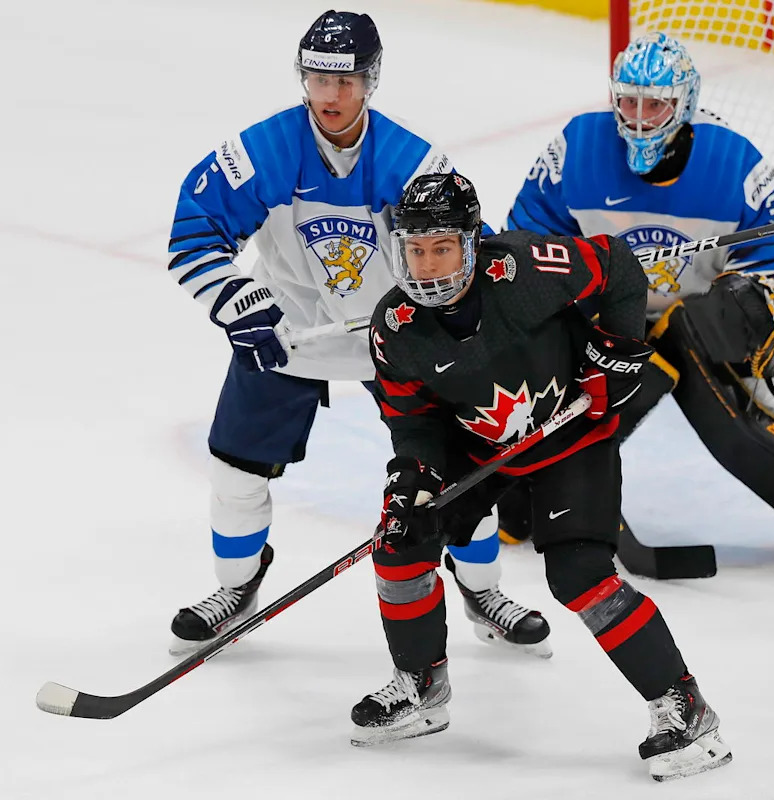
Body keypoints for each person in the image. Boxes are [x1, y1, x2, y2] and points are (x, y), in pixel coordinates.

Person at [164, 9, 549, 658]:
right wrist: (238, 301)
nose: (331, 95)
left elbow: (463, 253)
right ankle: (235, 589)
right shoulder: (264, 152)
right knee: (235, 468)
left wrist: (460, 313)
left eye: (345, 81)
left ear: (370, 81)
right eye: (319, 79)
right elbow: (193, 230)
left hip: (400, 337)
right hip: (289, 334)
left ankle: (483, 590)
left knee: (461, 465)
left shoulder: (411, 161)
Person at [352, 171, 731, 783]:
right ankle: (421, 687)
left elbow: (619, 266)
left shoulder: (526, 268)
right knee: (399, 544)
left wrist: (616, 351)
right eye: (415, 250)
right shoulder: (393, 326)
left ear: (472, 242)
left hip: (572, 434)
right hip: (480, 447)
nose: (427, 266)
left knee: (579, 574)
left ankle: (686, 709)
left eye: (442, 248)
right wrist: (415, 479)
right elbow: (413, 421)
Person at [499, 31, 774, 578]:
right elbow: (527, 242)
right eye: (628, 102)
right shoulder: (578, 148)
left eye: (654, 105)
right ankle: (534, 491)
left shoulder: (732, 161)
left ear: (684, 104)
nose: (638, 119)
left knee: (711, 353)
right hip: (615, 317)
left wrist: (745, 305)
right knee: (540, 367)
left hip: (704, 323)